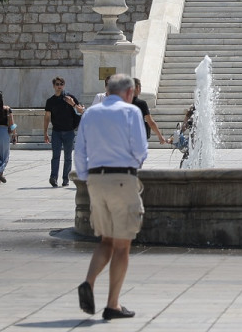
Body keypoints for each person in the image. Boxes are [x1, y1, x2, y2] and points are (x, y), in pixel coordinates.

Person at [74, 74, 148, 321]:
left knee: (106, 240)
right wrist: (132, 165)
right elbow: (140, 149)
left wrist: (87, 177)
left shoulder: (90, 113)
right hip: (121, 178)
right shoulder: (131, 112)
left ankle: (89, 281)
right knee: (122, 245)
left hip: (96, 180)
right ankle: (112, 305)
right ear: (129, 92)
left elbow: (79, 150)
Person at [43, 76, 85, 187]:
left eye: (61, 84)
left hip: (69, 132)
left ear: (64, 85)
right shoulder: (50, 101)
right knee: (55, 156)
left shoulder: (70, 98)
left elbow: (81, 111)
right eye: (57, 84)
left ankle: (65, 179)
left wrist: (72, 104)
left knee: (68, 157)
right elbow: (47, 117)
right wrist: (45, 132)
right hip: (56, 132)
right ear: (53, 86)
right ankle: (53, 178)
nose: (59, 86)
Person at [132, 78, 166, 144]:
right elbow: (151, 122)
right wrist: (160, 136)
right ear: (137, 87)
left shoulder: (122, 102)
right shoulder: (141, 104)